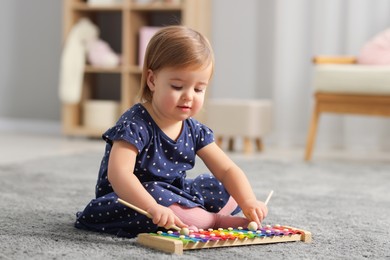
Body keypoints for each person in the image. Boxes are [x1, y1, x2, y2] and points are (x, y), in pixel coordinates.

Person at [75, 25, 268, 238]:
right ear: (152, 80)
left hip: (174, 193)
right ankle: (213, 220)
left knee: (225, 188)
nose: (189, 96)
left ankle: (197, 217)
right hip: (131, 198)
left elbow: (227, 170)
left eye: (198, 89)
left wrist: (248, 201)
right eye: (177, 86)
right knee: (157, 196)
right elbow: (119, 175)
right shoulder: (135, 124)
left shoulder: (194, 129)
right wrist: (152, 207)